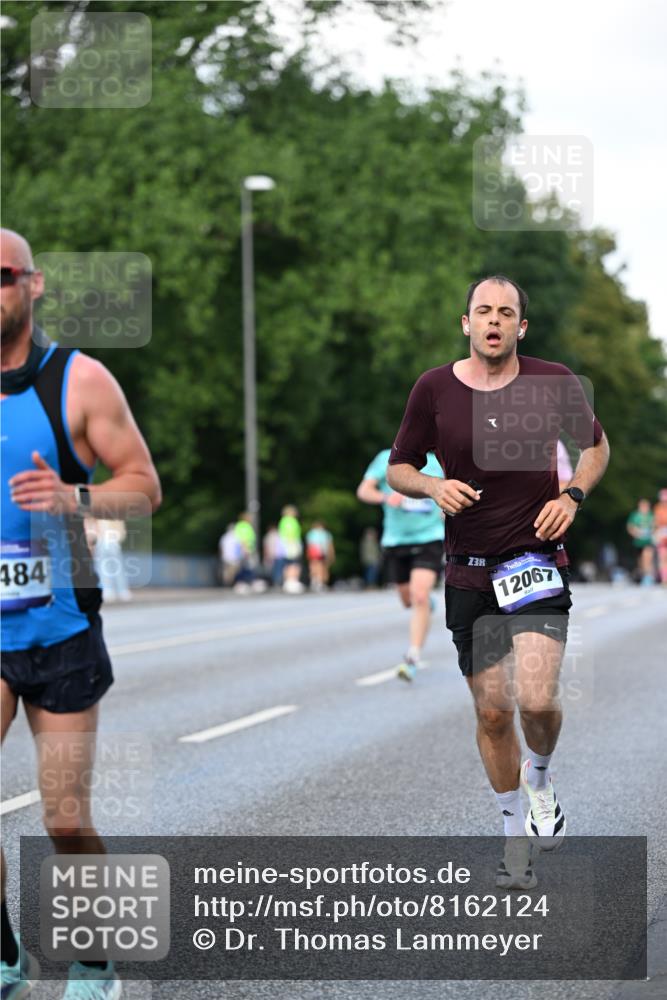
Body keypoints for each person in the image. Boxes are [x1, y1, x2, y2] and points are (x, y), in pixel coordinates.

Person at [386, 274, 609, 885]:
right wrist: (432, 486)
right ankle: (514, 835)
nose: (493, 320)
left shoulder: (552, 381)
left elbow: (595, 446)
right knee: (492, 714)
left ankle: (542, 779)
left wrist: (573, 495)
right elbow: (399, 466)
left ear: (521, 327)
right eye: (483, 311)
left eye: (505, 312)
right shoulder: (433, 388)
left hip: (535, 562)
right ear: (466, 323)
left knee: (535, 699)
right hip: (469, 571)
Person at [1, 229, 162, 998]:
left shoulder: (79, 380)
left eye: (2, 275)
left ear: (33, 285)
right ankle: (6, 956)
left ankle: (95, 959)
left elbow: (144, 487)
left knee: (64, 818)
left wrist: (75, 497)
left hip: (60, 627)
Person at [357, 449, 444, 681]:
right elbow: (364, 490)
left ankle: (412, 657)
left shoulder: (440, 462)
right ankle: (425, 602)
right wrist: (385, 498)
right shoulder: (387, 459)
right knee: (408, 600)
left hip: (430, 537)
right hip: (396, 540)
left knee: (419, 595)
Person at [86, 518, 132, 603]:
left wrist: (116, 539)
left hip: (112, 541)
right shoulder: (95, 517)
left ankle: (121, 590)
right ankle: (108, 590)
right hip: (101, 541)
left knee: (116, 568)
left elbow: (121, 530)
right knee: (102, 568)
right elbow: (91, 530)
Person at [625, 499, 655, 585]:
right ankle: (643, 575)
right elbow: (629, 527)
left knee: (647, 558)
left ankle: (648, 577)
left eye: (646, 506)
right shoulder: (634, 515)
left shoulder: (651, 515)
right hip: (638, 542)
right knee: (640, 561)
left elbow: (655, 526)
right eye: (642, 506)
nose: (644, 508)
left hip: (648, 541)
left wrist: (652, 532)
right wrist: (636, 533)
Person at [278, 505, 304, 594]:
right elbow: (291, 534)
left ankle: (288, 581)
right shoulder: (290, 521)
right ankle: (292, 581)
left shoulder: (283, 521)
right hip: (291, 545)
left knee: (287, 564)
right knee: (294, 563)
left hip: (284, 546)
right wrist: (294, 545)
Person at [305, 520, 335, 592]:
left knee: (316, 567)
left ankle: (316, 581)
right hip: (319, 552)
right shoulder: (325, 534)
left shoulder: (312, 533)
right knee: (320, 567)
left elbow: (309, 545)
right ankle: (318, 582)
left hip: (316, 553)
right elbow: (329, 545)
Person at [219, 521, 241, 586]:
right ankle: (230, 583)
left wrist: (221, 556)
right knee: (233, 571)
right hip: (234, 558)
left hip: (226, 557)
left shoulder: (224, 537)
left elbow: (221, 548)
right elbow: (239, 547)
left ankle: (227, 582)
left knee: (227, 571)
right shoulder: (237, 537)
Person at [652, 489, 667, 585]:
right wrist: (656, 533)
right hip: (661, 534)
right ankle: (664, 578)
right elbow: (655, 522)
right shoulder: (658, 508)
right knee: (662, 557)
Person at [263, 523, 284, 587]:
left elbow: (266, 547)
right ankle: (276, 582)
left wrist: (266, 555)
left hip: (274, 555)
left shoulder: (269, 536)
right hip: (277, 555)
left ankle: (275, 582)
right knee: (276, 569)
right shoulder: (278, 535)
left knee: (274, 569)